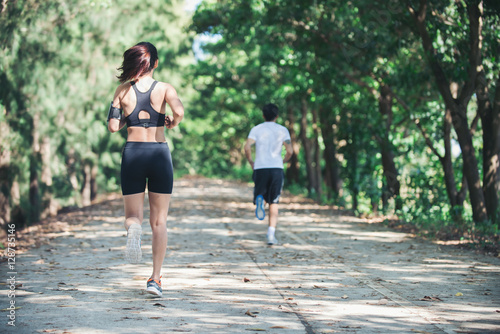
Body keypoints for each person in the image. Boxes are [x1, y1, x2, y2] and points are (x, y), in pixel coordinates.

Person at [107, 42, 184, 297]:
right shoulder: (164, 88)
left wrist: (128, 116)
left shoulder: (122, 90)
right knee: (159, 221)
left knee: (133, 216)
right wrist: (172, 121)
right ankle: (155, 279)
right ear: (156, 64)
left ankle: (133, 230)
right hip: (159, 153)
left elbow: (112, 126)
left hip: (133, 154)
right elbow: (179, 111)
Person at [244, 103, 293, 245]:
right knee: (274, 201)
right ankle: (271, 234)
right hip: (276, 167)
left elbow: (247, 147)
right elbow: (290, 151)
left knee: (262, 194)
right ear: (277, 116)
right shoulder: (282, 130)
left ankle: (260, 201)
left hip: (260, 167)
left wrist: (251, 161)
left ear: (263, 115)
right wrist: (282, 161)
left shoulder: (256, 129)